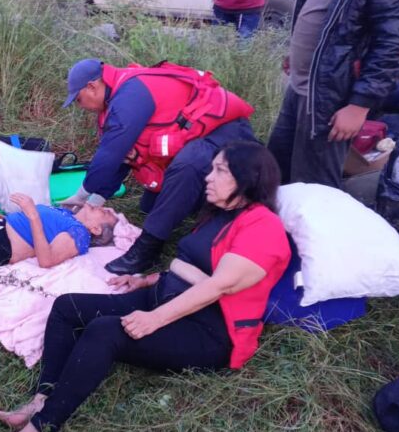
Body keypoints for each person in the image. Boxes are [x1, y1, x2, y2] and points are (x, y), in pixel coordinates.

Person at [0, 141, 291, 432]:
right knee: (67, 306)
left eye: (221, 171)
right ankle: (42, 397)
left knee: (105, 332)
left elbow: (219, 284)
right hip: (166, 295)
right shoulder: (221, 213)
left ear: (249, 179)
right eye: (211, 168)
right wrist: (147, 279)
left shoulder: (263, 227)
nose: (208, 178)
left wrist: (154, 318)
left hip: (208, 330)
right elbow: (194, 265)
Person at [59, 58, 256, 276]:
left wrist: (83, 194)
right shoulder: (118, 95)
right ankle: (200, 204)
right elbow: (122, 157)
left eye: (78, 100)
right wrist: (93, 202)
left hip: (225, 135)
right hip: (195, 138)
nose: (81, 106)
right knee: (150, 207)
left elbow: (109, 155)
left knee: (189, 165)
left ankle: (147, 249)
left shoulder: (130, 96)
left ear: (92, 87)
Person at [266, 0, 399, 189]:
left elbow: (393, 43)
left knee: (314, 188)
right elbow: (318, 4)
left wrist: (359, 106)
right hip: (301, 84)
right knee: (276, 174)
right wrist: (297, 52)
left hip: (330, 94)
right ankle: (268, 226)